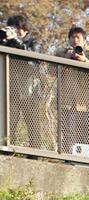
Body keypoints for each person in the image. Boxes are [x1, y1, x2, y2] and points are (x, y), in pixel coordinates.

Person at [55, 26, 89, 155]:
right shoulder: (61, 53)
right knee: (67, 133)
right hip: (66, 101)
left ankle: (84, 162)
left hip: (86, 103)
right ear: (69, 40)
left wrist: (84, 60)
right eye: (73, 37)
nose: (75, 40)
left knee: (84, 134)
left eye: (78, 37)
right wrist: (67, 60)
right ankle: (67, 159)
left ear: (84, 40)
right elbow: (50, 71)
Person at [3, 16, 46, 150]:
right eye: (11, 27)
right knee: (7, 126)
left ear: (23, 27)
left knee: (33, 127)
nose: (13, 30)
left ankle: (35, 156)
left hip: (30, 92)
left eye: (15, 27)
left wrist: (15, 41)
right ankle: (7, 154)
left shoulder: (34, 42)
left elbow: (34, 58)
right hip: (11, 90)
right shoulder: (7, 42)